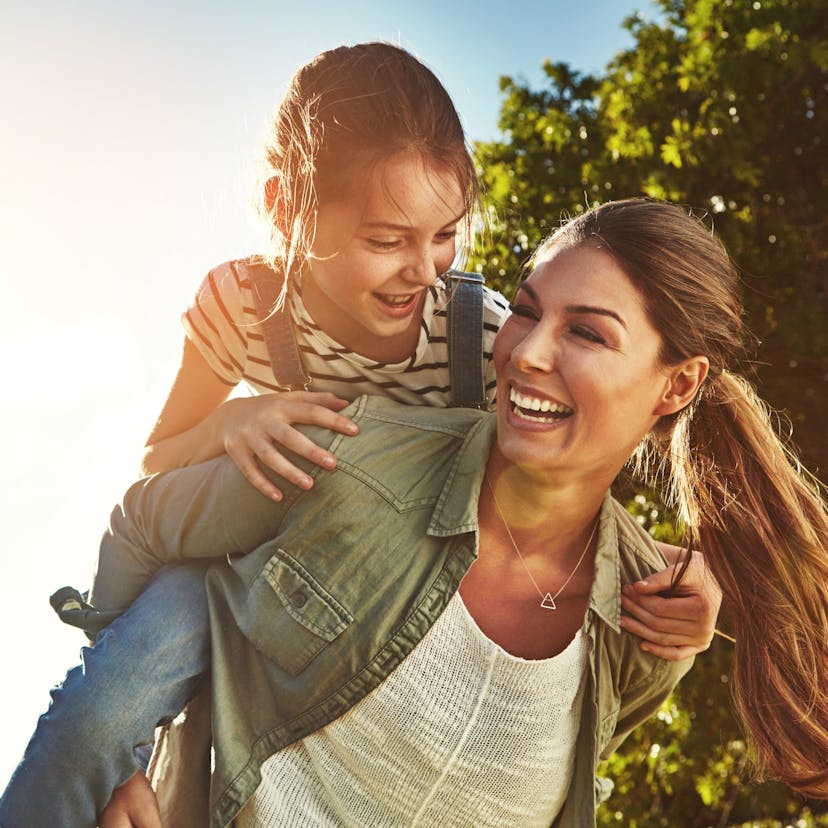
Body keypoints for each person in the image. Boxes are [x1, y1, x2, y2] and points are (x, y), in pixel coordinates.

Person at [0, 41, 716, 827]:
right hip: (231, 559)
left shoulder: (479, 336)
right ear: (286, 209)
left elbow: (562, 476)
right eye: (387, 240)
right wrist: (233, 420)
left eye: (445, 234)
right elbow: (158, 460)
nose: (426, 269)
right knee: (93, 723)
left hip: (370, 577)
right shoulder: (246, 305)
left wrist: (689, 583)